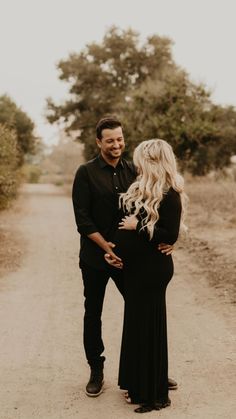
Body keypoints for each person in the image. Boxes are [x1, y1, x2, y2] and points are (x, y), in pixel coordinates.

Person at [72, 116, 176, 398]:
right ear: (99, 142)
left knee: (141, 311)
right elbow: (83, 220)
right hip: (96, 257)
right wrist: (107, 249)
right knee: (93, 312)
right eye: (110, 140)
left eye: (120, 139)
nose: (116, 144)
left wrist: (168, 239)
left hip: (129, 260)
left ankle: (149, 369)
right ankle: (96, 369)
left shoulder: (136, 172)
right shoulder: (86, 173)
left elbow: (153, 213)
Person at [111, 138, 186, 413]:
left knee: (148, 328)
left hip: (153, 271)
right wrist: (115, 251)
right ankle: (134, 383)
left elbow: (170, 234)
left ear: (153, 161)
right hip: (135, 269)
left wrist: (138, 226)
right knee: (135, 325)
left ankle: (151, 392)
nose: (137, 164)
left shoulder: (170, 193)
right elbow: (124, 227)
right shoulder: (140, 190)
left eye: (142, 159)